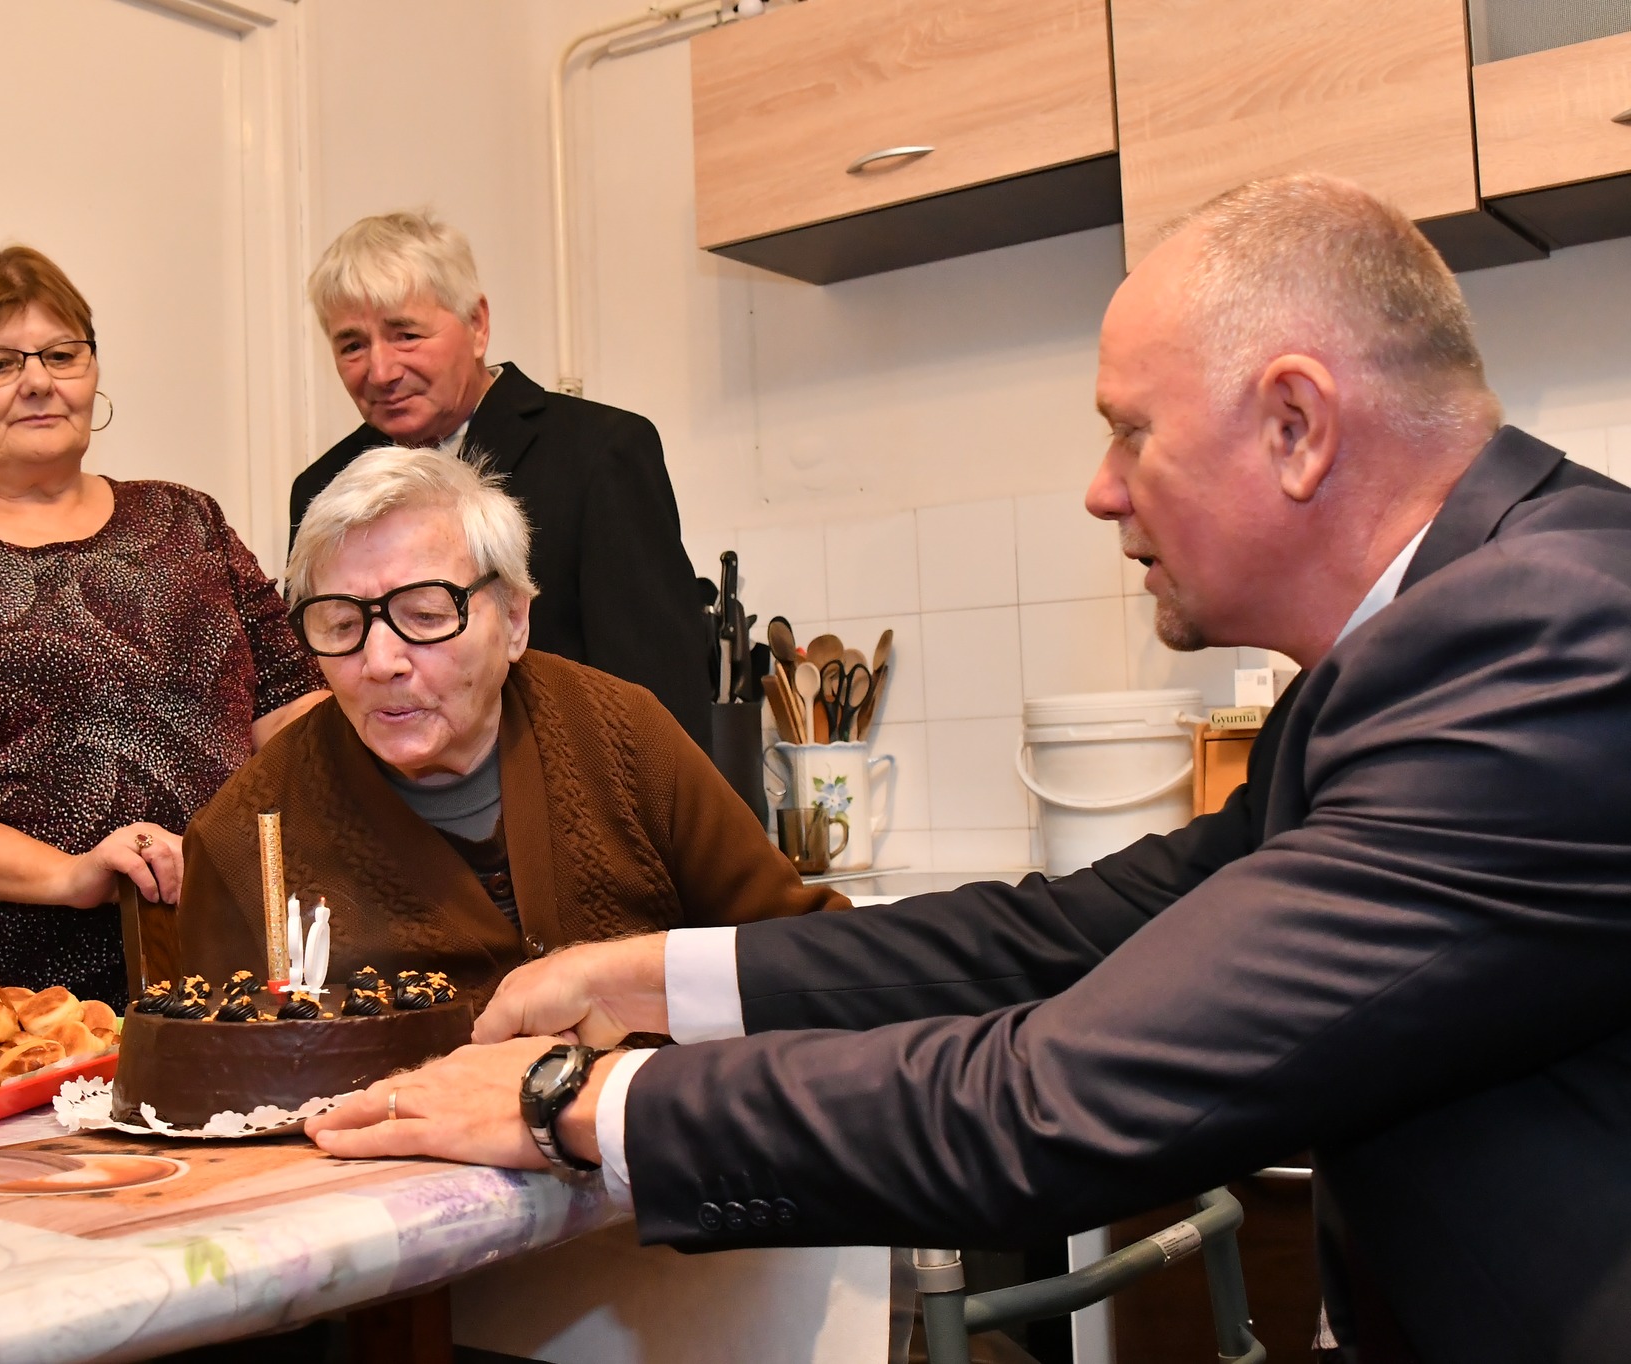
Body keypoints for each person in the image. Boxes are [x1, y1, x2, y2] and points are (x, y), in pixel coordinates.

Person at [306, 177, 1631, 1364]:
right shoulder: (1438, 641)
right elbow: (1069, 936)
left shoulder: (1545, 639)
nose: (1101, 491)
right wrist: (644, 976)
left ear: (1296, 424)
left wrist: (572, 1099)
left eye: (1131, 433)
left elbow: (1054, 1100)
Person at [0, 245, 326, 1013]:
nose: (38, 381)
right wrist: (71, 875)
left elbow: (295, 714)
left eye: (61, 354)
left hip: (221, 980)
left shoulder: (189, 521)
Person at [180, 445, 840, 1004]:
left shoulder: (620, 734)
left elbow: (798, 954)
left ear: (515, 619)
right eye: (342, 624)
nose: (379, 662)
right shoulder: (244, 838)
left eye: (426, 615)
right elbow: (210, 1079)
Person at [290, 211, 714, 744]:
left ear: (477, 325)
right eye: (352, 345)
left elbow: (660, 694)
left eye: (406, 335)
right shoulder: (322, 488)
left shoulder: (598, 452)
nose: (381, 371)